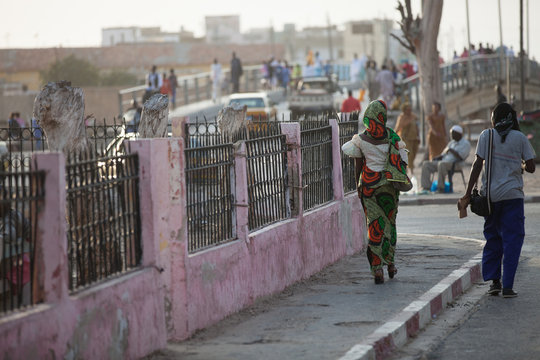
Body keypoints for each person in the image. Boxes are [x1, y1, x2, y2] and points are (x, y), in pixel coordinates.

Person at [458, 102, 535, 298]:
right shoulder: (520, 138)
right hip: (513, 197)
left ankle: (494, 282)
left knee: (493, 239)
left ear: (495, 118)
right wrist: (522, 165)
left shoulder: (486, 135)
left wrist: (467, 193)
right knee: (512, 240)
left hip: (491, 198)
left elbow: (476, 165)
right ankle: (508, 287)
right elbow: (532, 167)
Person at [341, 100, 409, 284]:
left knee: (374, 226)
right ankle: (391, 263)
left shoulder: (361, 140)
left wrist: (358, 186)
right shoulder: (392, 137)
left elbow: (358, 167)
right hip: (389, 188)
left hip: (369, 188)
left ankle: (377, 268)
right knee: (389, 224)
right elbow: (403, 159)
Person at [420, 125, 471, 193]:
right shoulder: (451, 143)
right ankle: (426, 187)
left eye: (453, 134)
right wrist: (437, 158)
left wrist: (451, 150)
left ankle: (440, 188)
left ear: (459, 134)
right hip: (444, 162)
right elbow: (443, 154)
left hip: (456, 164)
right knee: (426, 164)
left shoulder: (465, 144)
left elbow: (461, 157)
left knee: (441, 164)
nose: (451, 135)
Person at [394, 103, 419, 174]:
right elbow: (398, 127)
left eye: (410, 110)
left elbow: (416, 126)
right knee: (409, 154)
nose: (409, 111)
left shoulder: (413, 116)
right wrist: (393, 136)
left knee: (414, 153)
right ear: (404, 110)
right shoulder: (402, 117)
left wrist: (418, 136)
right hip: (406, 139)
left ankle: (409, 166)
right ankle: (411, 170)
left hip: (414, 138)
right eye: (408, 110)